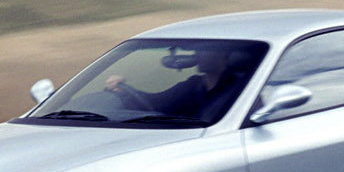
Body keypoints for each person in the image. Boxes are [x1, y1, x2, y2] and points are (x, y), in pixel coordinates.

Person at [103, 45, 246, 122]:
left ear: (223, 54)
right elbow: (156, 102)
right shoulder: (193, 84)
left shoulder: (240, 87)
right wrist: (124, 90)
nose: (197, 54)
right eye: (197, 50)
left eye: (204, 50)